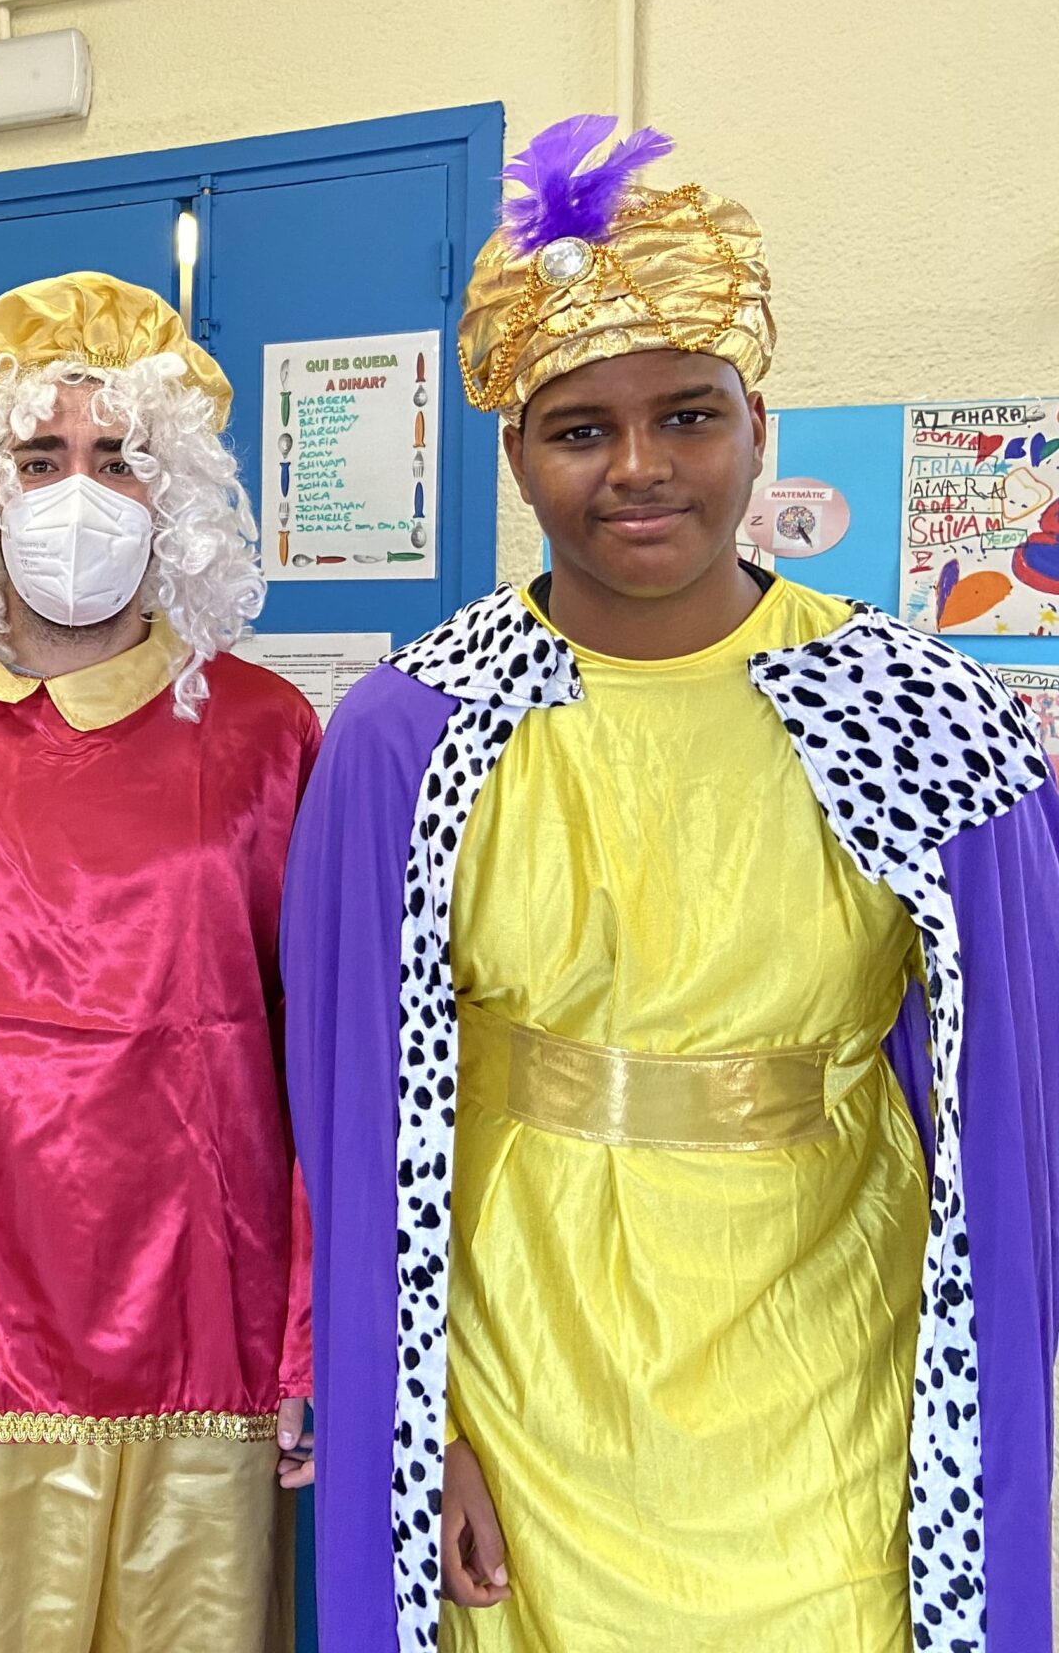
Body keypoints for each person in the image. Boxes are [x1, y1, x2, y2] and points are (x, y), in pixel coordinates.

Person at [283, 116, 1059, 1651]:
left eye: (688, 416)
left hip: (833, 1370)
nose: (638, 470)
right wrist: (413, 1428)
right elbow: (353, 1120)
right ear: (517, 454)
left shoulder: (928, 718)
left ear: (758, 425)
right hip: (521, 1368)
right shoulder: (409, 734)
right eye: (580, 430)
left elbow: (1019, 1108)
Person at [0, 273, 316, 1653]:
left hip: (204, 1337)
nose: (77, 494)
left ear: (175, 492)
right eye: (41, 459)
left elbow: (319, 1055)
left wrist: (308, 1329)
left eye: (117, 460)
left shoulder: (262, 732)